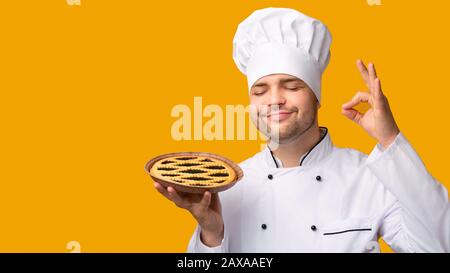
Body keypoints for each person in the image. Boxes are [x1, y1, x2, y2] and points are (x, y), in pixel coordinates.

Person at [154, 7, 450, 252]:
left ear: (316, 95)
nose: (274, 99)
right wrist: (211, 234)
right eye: (260, 91)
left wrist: (389, 139)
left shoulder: (370, 177)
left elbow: (438, 245)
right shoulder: (229, 189)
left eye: (292, 86)